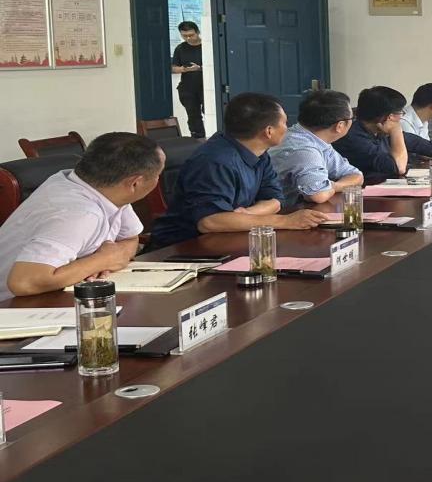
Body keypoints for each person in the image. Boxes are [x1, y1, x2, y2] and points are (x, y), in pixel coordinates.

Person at [149, 92, 328, 249]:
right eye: (284, 123)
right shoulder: (215, 161)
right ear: (268, 131)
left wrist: (246, 215)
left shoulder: (259, 153)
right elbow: (210, 222)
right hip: (184, 248)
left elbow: (275, 200)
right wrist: (285, 221)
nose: (286, 128)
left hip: (231, 236)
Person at [0, 133, 164, 300]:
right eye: (157, 175)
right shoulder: (78, 214)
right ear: (135, 183)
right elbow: (24, 282)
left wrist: (103, 261)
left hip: (55, 295)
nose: (158, 179)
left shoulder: (102, 189)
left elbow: (130, 239)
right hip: (14, 306)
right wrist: (104, 260)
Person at [334, 86, 432, 179]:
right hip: (366, 197)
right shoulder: (354, 137)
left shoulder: (378, 131)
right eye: (400, 113)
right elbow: (398, 167)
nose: (402, 116)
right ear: (389, 117)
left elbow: (420, 144)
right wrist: (396, 129)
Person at [268, 89, 363, 206]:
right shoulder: (303, 149)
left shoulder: (317, 140)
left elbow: (356, 176)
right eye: (352, 118)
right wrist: (332, 186)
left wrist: (332, 186)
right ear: (340, 126)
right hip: (281, 213)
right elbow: (318, 195)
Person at [171, 20, 207, 139]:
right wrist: (183, 69)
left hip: (206, 86)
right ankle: (198, 139)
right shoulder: (180, 48)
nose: (188, 38)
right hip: (187, 87)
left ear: (198, 32)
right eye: (184, 36)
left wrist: (200, 68)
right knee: (193, 116)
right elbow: (173, 68)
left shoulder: (207, 46)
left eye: (191, 35)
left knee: (210, 111)